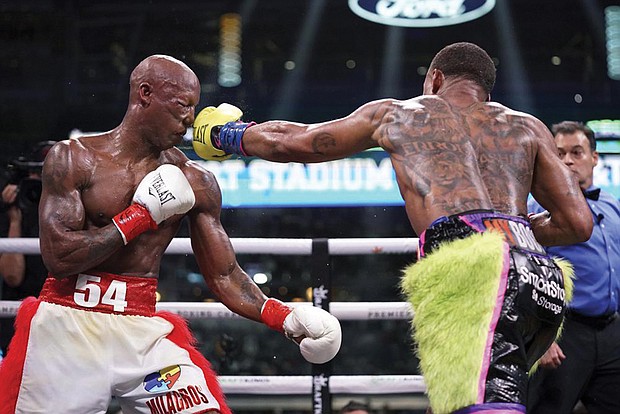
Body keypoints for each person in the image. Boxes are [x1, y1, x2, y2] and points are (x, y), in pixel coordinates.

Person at [191, 42, 593, 414]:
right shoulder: (527, 126)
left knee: (482, 408)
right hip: (543, 278)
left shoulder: (401, 113)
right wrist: (508, 238)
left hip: (475, 275)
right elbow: (577, 223)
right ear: (485, 88)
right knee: (493, 402)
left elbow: (297, 142)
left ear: (434, 79)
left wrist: (224, 133)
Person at [0, 55, 341, 414]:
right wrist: (138, 218)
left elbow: (223, 274)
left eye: (194, 108)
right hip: (66, 324)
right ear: (145, 94)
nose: (190, 119)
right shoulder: (74, 158)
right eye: (182, 105)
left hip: (141, 331)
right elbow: (59, 256)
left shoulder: (196, 180)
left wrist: (282, 315)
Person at [527, 121, 620, 413]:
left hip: (611, 333)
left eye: (576, 152)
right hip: (564, 333)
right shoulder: (537, 207)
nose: (567, 160)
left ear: (594, 157)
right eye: (560, 153)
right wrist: (540, 337)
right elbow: (526, 270)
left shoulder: (611, 203)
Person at [0, 140, 55, 357]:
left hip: (59, 317)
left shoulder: (75, 213)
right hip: (18, 319)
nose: (38, 184)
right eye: (34, 175)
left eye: (45, 177)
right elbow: (13, 276)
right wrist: (14, 220)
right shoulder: (14, 212)